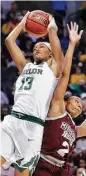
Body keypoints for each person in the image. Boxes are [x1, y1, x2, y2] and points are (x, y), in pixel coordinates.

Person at [0, 11, 63, 176]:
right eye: (35, 47)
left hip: (33, 126)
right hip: (13, 120)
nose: (37, 47)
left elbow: (55, 44)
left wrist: (51, 26)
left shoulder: (54, 68)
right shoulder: (25, 66)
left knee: (20, 174)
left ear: (50, 54)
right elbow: (9, 40)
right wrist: (23, 23)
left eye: (42, 46)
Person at [32, 22, 84, 176]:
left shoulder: (75, 128)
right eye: (76, 100)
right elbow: (66, 74)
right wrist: (72, 44)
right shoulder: (57, 108)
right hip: (44, 163)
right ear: (66, 100)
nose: (79, 105)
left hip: (62, 168)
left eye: (81, 105)